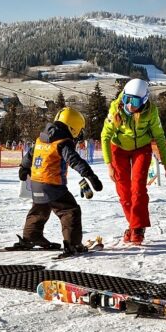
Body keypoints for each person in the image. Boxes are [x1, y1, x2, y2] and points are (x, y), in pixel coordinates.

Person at [17, 107, 103, 256]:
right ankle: (73, 244)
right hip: (53, 184)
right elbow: (74, 160)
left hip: (36, 183)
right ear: (73, 127)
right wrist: (90, 176)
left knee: (40, 210)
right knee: (70, 211)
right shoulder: (62, 142)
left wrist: (23, 168)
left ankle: (31, 236)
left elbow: (29, 155)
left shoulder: (40, 139)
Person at [101, 78, 166, 245]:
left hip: (141, 148)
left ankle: (138, 228)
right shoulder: (116, 109)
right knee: (123, 191)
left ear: (144, 100)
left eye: (135, 102)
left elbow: (159, 136)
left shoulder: (151, 112)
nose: (130, 105)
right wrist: (109, 165)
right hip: (119, 149)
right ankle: (133, 225)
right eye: (127, 99)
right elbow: (105, 136)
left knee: (138, 187)